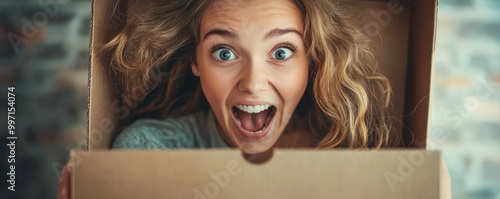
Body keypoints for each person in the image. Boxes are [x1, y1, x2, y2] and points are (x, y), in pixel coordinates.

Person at [58, 0, 450, 198]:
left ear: (311, 60)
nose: (253, 83)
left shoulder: (359, 156)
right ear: (196, 61)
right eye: (224, 53)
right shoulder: (147, 151)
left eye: (281, 52)